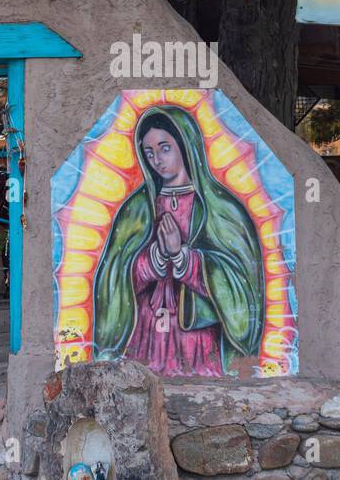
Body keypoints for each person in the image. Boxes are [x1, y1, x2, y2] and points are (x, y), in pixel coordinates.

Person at [92, 105, 264, 376]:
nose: (157, 159)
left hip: (197, 336)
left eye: (165, 148)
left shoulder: (219, 208)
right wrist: (154, 259)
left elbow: (241, 283)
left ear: (185, 145)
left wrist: (185, 259)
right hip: (146, 333)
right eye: (149, 153)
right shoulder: (137, 208)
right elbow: (113, 278)